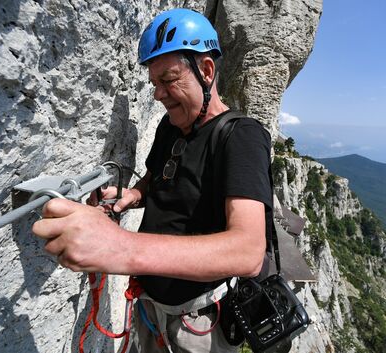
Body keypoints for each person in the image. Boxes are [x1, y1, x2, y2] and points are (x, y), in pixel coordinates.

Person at [32, 8, 273, 353]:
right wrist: (131, 195)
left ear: (205, 71)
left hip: (199, 321)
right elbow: (161, 177)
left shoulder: (242, 138)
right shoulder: (170, 125)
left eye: (169, 79)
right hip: (148, 303)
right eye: (155, 83)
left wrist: (120, 246)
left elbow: (247, 251)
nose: (159, 94)